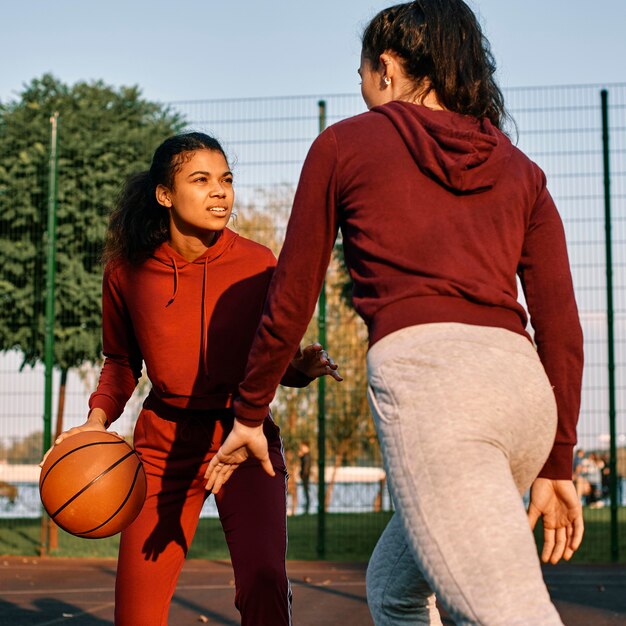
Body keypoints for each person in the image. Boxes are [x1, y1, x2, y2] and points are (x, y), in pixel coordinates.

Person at [206, 2, 585, 624]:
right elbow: (562, 328)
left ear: (385, 68)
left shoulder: (344, 143)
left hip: (440, 396)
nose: (360, 91)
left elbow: (292, 296)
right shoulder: (523, 170)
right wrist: (556, 457)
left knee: (505, 613)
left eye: (360, 75)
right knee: (394, 585)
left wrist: (250, 410)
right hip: (524, 398)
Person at [42, 132, 342, 626]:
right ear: (165, 194)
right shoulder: (126, 272)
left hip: (243, 441)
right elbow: (120, 362)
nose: (220, 192)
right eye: (200, 180)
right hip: (162, 448)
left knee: (266, 583)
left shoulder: (258, 265)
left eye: (225, 180)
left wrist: (300, 370)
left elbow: (268, 360)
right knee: (136, 614)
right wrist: (97, 422)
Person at [298, 441, 312, 514]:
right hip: (305, 476)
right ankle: (307, 506)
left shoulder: (307, 456)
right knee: (305, 491)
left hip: (305, 476)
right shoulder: (306, 456)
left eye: (303, 447)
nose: (301, 448)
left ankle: (307, 507)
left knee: (306, 491)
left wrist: (303, 475)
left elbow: (306, 467)